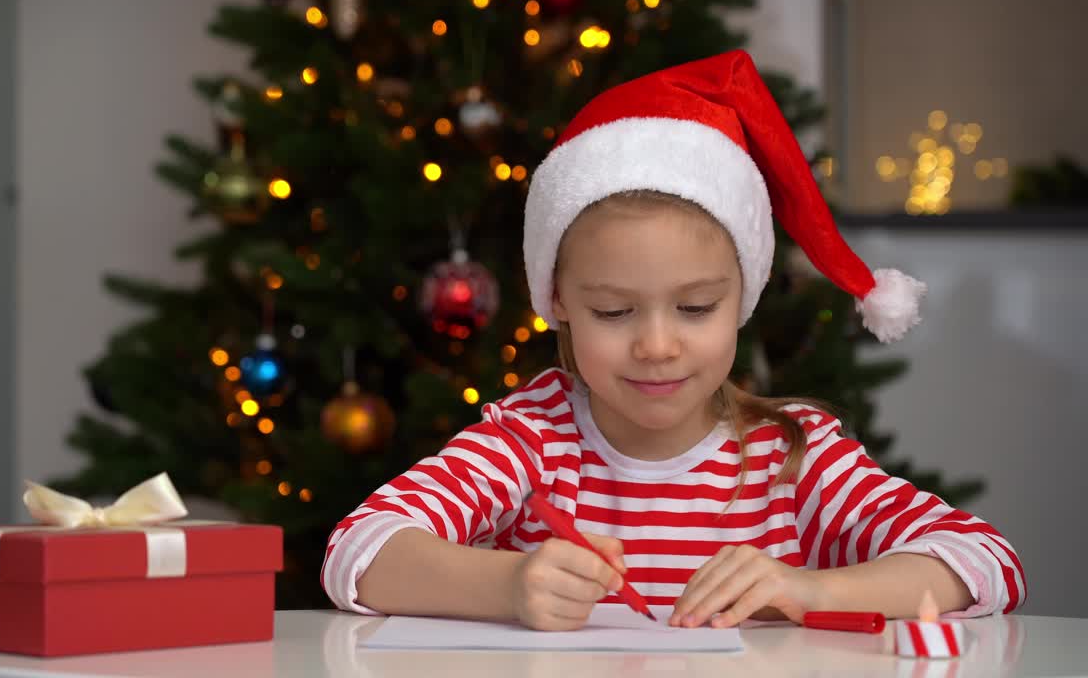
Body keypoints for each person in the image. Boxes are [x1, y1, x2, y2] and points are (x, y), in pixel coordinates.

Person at [321, 50, 1025, 631]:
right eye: (614, 312)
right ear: (559, 302)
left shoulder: (793, 455)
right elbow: (357, 551)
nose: (657, 346)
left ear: (741, 300)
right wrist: (506, 585)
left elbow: (984, 559)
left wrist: (810, 592)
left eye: (694, 307)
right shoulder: (531, 441)